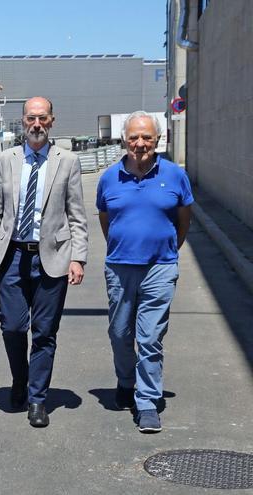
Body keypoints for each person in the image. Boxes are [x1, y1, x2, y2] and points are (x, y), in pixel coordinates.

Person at [0, 97, 88, 428]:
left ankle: (38, 399)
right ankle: (20, 378)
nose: (36, 124)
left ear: (52, 121)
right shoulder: (6, 160)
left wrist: (78, 258)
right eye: (31, 118)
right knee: (13, 325)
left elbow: (77, 215)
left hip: (52, 258)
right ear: (23, 121)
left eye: (42, 118)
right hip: (12, 255)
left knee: (44, 332)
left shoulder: (67, 161)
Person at [96, 112, 192, 434]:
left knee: (150, 337)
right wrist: (122, 246)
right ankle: (125, 382)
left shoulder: (175, 176)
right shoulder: (109, 177)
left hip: (160, 267)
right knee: (120, 333)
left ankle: (148, 401)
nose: (140, 144)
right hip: (120, 266)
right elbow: (105, 219)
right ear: (124, 140)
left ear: (157, 140)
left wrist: (167, 250)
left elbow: (184, 219)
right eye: (134, 138)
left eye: (147, 138)